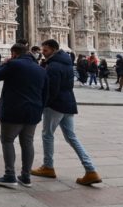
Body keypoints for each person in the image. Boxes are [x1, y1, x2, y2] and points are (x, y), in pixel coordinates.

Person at [32, 39, 102, 186]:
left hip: (55, 105)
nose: (42, 54)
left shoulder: (54, 66)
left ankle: (48, 167)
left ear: (53, 49)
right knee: (71, 137)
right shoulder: (66, 62)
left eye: (45, 51)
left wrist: (43, 104)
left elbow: (52, 89)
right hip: (69, 102)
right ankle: (91, 169)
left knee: (47, 135)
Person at [0, 43, 48, 188]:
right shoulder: (41, 70)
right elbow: (46, 93)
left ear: (14, 53)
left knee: (7, 140)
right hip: (33, 112)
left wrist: (4, 64)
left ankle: (10, 175)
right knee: (27, 143)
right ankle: (26, 176)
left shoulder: (14, 64)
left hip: (13, 111)